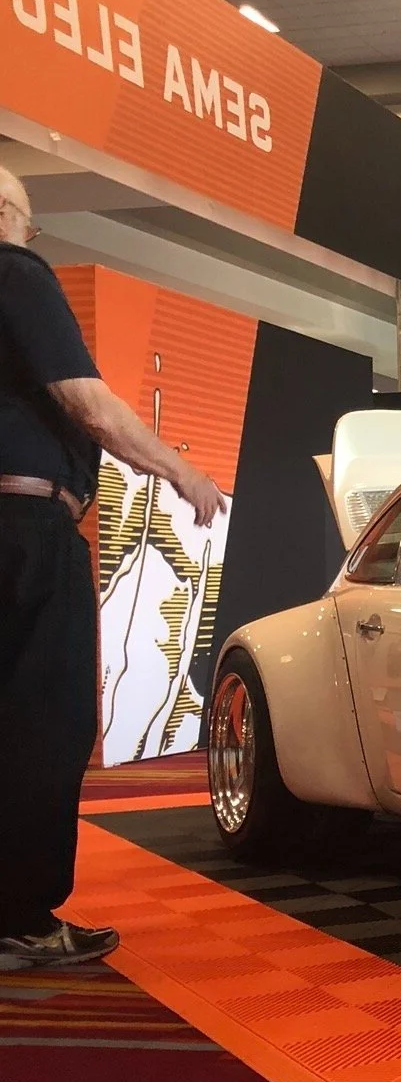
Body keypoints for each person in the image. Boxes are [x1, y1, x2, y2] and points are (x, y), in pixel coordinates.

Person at [0, 165, 225, 971]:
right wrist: (181, 471)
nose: (32, 238)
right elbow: (87, 402)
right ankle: (19, 918)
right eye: (30, 223)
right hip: (24, 527)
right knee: (43, 722)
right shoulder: (13, 269)